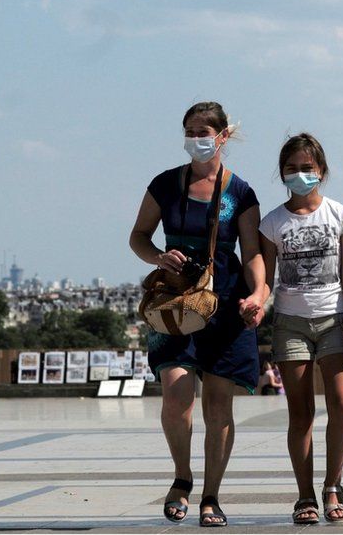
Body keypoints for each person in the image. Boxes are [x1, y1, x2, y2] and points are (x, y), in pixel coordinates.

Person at [129, 101, 266, 527]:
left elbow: (253, 254)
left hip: (225, 304)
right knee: (176, 396)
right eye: (190, 131)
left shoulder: (240, 192)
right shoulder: (166, 184)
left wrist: (259, 293)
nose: (196, 139)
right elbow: (137, 236)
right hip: (175, 304)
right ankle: (183, 477)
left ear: (224, 135)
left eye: (204, 131)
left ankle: (211, 495)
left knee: (219, 406)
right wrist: (157, 256)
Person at [259, 133, 343, 524]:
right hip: (289, 321)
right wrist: (258, 300)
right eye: (292, 168)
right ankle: (305, 495)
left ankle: (333, 485)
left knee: (341, 405)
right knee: (300, 413)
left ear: (321, 170)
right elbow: (268, 279)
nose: (300, 174)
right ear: (281, 173)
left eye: (307, 168)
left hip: (335, 318)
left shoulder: (342, 216)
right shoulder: (272, 222)